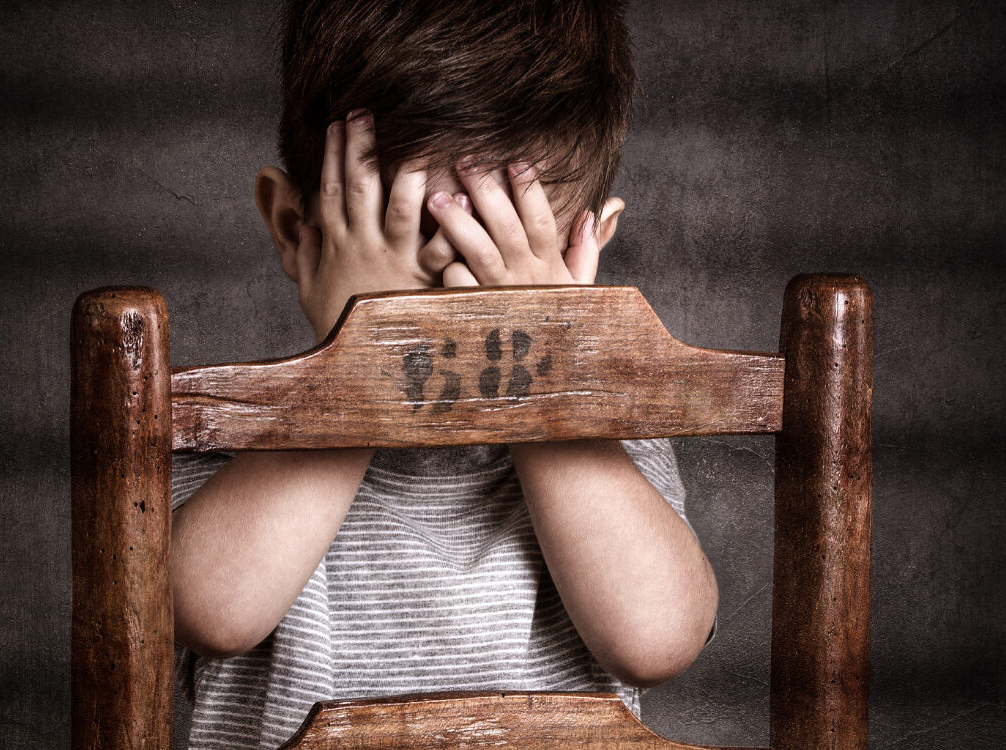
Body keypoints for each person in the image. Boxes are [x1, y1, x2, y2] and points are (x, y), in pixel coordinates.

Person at [169, 1, 718, 746]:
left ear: (590, 251)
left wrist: (547, 374)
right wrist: (355, 368)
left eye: (500, 267)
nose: (465, 321)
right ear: (298, 233)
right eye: (424, 265)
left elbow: (655, 639)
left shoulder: (599, 430)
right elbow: (208, 612)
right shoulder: (237, 422)